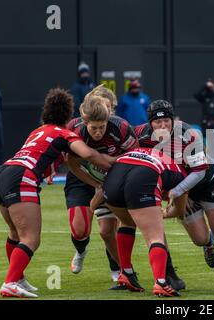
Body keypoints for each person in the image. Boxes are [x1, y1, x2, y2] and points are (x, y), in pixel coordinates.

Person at [0, 88, 113, 298]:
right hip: (22, 177)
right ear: (68, 114)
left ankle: (18, 278)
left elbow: (44, 154)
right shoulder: (64, 133)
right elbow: (88, 154)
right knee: (31, 238)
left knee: (15, 233)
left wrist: (50, 171)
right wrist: (117, 162)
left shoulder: (38, 131)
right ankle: (10, 282)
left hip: (2, 173)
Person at [135, 100, 214, 290]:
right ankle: (208, 242)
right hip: (182, 189)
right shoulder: (142, 136)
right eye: (157, 122)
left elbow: (199, 171)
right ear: (150, 123)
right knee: (200, 239)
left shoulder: (188, 135)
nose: (162, 126)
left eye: (166, 122)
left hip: (208, 182)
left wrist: (177, 192)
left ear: (173, 121)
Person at [63, 87, 139, 285]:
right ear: (86, 116)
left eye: (108, 107)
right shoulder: (75, 129)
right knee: (79, 229)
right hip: (81, 178)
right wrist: (96, 185)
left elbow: (135, 157)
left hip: (112, 180)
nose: (98, 132)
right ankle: (81, 250)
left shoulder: (121, 127)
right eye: (100, 105)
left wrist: (110, 169)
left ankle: (121, 270)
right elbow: (71, 163)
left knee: (107, 230)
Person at [98, 147, 188, 297]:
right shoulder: (180, 173)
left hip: (113, 179)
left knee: (126, 223)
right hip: (142, 177)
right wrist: (164, 213)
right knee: (155, 236)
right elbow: (180, 211)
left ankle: (125, 272)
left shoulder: (147, 151)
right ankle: (160, 282)